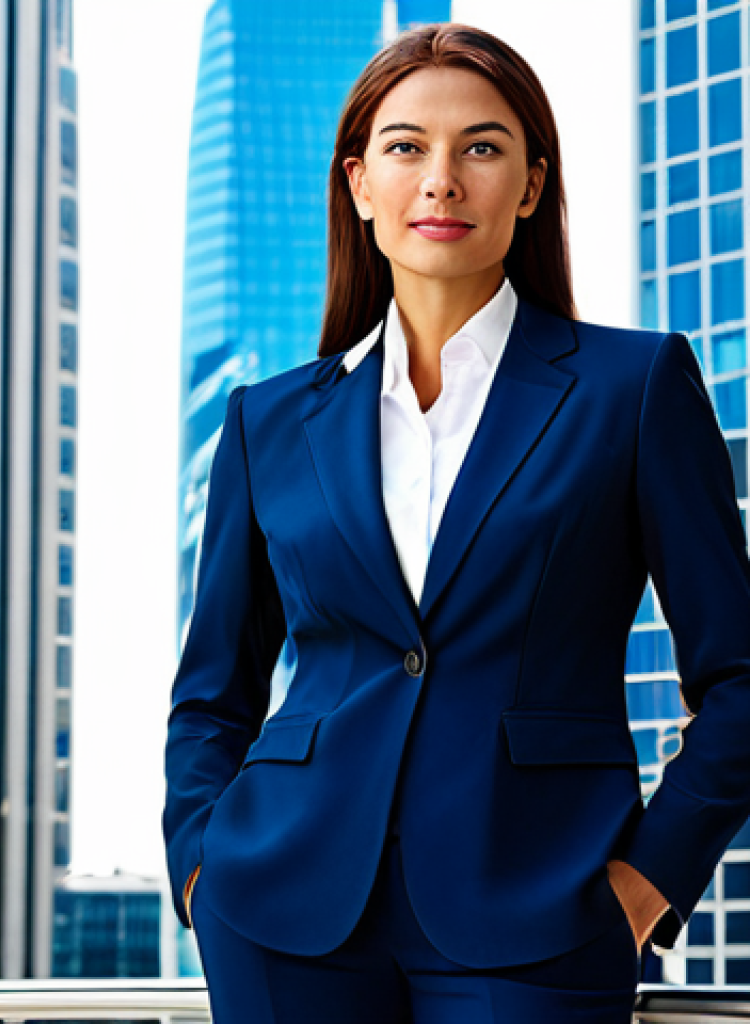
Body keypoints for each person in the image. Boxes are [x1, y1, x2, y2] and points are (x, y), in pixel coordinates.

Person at [162, 21, 750, 1024]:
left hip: (537, 908)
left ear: (528, 186)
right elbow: (213, 689)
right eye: (404, 148)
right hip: (280, 910)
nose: (440, 179)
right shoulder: (269, 420)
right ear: (357, 183)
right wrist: (199, 864)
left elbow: (738, 676)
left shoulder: (631, 386)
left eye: (480, 147)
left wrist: (649, 882)